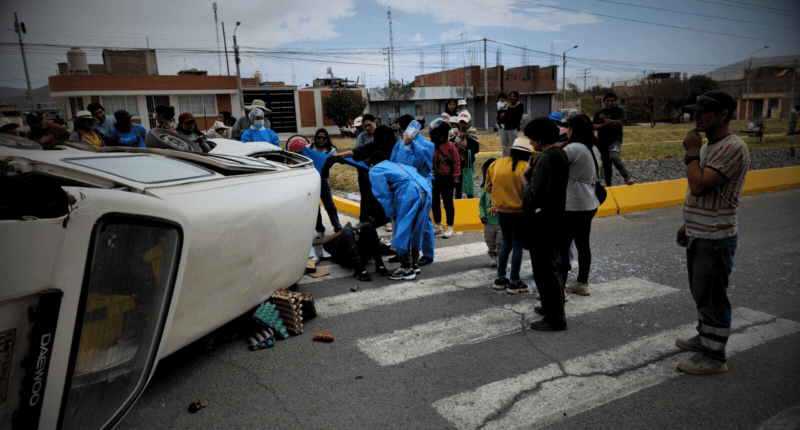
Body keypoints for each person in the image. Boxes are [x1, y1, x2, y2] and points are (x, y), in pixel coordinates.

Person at [674, 90, 750, 375]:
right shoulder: (709, 146)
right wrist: (688, 224)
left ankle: (714, 356)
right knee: (701, 293)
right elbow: (704, 195)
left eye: (703, 111)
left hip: (715, 237)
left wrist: (692, 153)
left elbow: (699, 185)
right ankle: (705, 337)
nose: (696, 116)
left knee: (713, 297)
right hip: (700, 232)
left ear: (723, 115)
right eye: (695, 111)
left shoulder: (733, 147)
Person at [521, 117, 570, 331]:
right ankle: (550, 308)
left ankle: (555, 318)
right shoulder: (560, 153)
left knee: (544, 271)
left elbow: (534, 195)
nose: (531, 143)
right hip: (558, 218)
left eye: (532, 139)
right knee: (552, 267)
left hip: (544, 222)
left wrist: (524, 181)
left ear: (540, 138)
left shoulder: (545, 159)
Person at [368, 150, 432, 281]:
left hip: (408, 193)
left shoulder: (375, 170)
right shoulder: (396, 165)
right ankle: (414, 264)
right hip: (425, 191)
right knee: (416, 229)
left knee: (402, 231)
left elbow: (383, 194)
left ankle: (406, 269)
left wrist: (391, 213)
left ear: (371, 163)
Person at [560, 114, 602, 296]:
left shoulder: (572, 149)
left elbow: (556, 168)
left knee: (563, 246)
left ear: (572, 130)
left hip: (572, 205)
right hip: (589, 203)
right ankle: (582, 283)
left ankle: (559, 287)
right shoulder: (594, 148)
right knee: (583, 244)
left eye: (568, 128)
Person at [485, 137, 531, 294]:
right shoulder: (526, 167)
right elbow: (529, 192)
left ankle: (500, 278)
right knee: (517, 245)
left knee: (506, 243)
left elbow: (488, 187)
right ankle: (515, 281)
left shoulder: (496, 164)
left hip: (501, 211)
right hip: (519, 213)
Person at [391, 114, 436, 264]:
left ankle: (427, 253)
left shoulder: (425, 145)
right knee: (403, 219)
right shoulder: (399, 144)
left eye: (400, 129)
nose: (399, 133)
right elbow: (394, 163)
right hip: (404, 186)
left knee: (424, 220)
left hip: (421, 186)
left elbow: (416, 164)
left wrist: (410, 146)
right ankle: (403, 252)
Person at [335, 125, 394, 227]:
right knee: (369, 197)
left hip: (393, 181)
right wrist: (343, 154)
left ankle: (387, 220)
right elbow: (358, 151)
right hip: (378, 178)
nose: (381, 144)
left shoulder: (397, 147)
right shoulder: (373, 143)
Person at [321, 222, 388, 281]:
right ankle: (359, 268)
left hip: (362, 255)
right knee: (347, 230)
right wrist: (343, 230)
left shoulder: (356, 237)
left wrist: (358, 232)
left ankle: (379, 263)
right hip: (346, 257)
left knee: (367, 225)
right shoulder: (339, 239)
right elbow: (324, 242)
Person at [593, 92, 634, 186]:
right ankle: (609, 186)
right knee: (607, 165)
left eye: (612, 101)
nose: (610, 102)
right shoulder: (598, 113)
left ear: (615, 101)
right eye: (607, 101)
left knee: (614, 156)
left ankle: (627, 177)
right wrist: (603, 124)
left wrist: (608, 121)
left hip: (615, 140)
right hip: (602, 143)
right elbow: (593, 126)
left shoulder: (619, 110)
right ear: (604, 102)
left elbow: (621, 122)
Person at [310, 128, 343, 238]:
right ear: (315, 138)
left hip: (323, 180)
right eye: (319, 137)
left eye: (323, 138)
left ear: (327, 139)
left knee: (329, 205)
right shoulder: (309, 148)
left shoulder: (331, 150)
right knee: (314, 207)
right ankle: (319, 229)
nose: (321, 140)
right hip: (311, 181)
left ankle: (337, 227)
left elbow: (329, 162)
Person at [430, 120, 460, 239]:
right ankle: (438, 225)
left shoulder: (450, 146)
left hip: (447, 177)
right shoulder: (431, 147)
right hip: (434, 178)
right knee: (435, 202)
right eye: (438, 134)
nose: (441, 136)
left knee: (448, 203)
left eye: (443, 134)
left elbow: (456, 161)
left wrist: (456, 175)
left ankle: (449, 226)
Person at [450, 112, 480, 199]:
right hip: (457, 163)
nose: (463, 125)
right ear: (458, 122)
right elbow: (450, 146)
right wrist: (458, 137)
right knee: (457, 185)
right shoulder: (453, 132)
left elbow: (476, 149)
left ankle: (470, 201)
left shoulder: (473, 133)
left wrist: (466, 151)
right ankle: (458, 202)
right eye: (461, 122)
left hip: (469, 162)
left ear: (469, 122)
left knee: (469, 184)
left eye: (465, 123)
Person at [479, 157, 502, 267]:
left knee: (501, 241)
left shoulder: (502, 188)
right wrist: (482, 214)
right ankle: (493, 255)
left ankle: (501, 257)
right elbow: (481, 204)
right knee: (489, 240)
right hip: (488, 221)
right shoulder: (484, 189)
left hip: (500, 221)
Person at [498, 90, 525, 158]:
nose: (512, 98)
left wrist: (506, 114)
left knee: (513, 148)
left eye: (514, 96)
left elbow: (516, 117)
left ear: (517, 97)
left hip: (513, 129)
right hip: (503, 129)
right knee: (504, 148)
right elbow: (499, 115)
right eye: (511, 96)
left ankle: (514, 161)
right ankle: (504, 161)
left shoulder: (520, 105)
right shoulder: (506, 105)